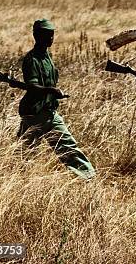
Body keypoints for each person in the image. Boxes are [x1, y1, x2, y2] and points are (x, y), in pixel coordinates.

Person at [18, 18, 95, 180]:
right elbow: (32, 86)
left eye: (52, 35)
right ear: (36, 35)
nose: (50, 38)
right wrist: (51, 90)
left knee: (67, 146)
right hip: (35, 114)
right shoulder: (32, 59)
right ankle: (14, 181)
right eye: (46, 35)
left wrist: (50, 93)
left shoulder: (47, 57)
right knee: (24, 154)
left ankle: (89, 178)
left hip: (48, 112)